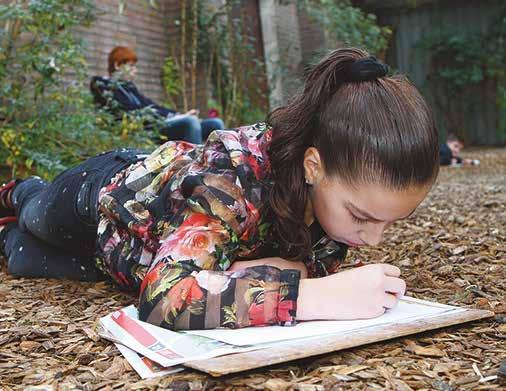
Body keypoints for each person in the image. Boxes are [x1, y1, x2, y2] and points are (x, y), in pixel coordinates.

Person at [0, 48, 439, 330]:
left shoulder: (332, 199)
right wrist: (304, 293)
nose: (374, 238)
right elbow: (164, 298)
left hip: (126, 254)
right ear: (313, 166)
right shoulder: (234, 176)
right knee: (33, 209)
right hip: (100, 198)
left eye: (390, 222)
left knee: (20, 257)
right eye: (363, 217)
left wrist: (273, 273)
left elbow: (294, 265)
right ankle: (15, 190)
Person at [90, 46, 225, 144]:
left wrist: (178, 115)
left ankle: (224, 170)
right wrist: (179, 118)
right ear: (118, 65)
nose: (135, 71)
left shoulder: (130, 88)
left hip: (155, 123)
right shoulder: (102, 86)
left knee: (215, 123)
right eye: (131, 67)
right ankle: (197, 172)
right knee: (190, 122)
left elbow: (151, 106)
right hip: (144, 130)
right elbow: (129, 112)